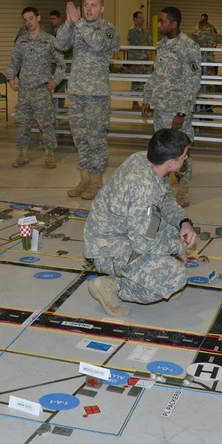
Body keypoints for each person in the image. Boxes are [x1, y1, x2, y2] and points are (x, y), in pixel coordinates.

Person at [84, 129, 198, 317]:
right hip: (109, 249)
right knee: (175, 277)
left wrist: (183, 222)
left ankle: (152, 272)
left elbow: (166, 200)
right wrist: (178, 249)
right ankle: (111, 287)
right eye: (184, 155)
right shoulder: (144, 190)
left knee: (176, 230)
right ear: (171, 162)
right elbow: (143, 243)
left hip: (125, 231)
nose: (186, 158)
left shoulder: (143, 159)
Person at [55, 0, 120, 200]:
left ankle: (96, 182)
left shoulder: (110, 30)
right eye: (85, 5)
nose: (89, 9)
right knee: (80, 139)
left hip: (97, 95)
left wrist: (79, 23)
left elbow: (99, 45)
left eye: (93, 5)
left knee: (96, 140)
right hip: (77, 93)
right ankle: (84, 179)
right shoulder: (77, 26)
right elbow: (60, 44)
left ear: (102, 8)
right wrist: (68, 22)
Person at [141, 7, 202, 208]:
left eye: (162, 21)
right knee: (162, 151)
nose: (158, 25)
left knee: (181, 151)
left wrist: (182, 113)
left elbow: (192, 82)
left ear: (173, 24)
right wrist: (147, 98)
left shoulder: (188, 47)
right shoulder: (162, 46)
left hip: (176, 110)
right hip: (160, 108)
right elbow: (156, 75)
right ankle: (164, 190)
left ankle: (182, 191)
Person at [7, 7, 65, 169]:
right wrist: (11, 77)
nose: (28, 22)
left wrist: (55, 81)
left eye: (31, 18)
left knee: (46, 123)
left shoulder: (50, 40)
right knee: (23, 123)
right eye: (25, 20)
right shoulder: (22, 41)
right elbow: (14, 62)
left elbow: (61, 64)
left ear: (38, 18)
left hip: (41, 89)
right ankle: (23, 154)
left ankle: (49, 154)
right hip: (24, 89)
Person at [126, 10, 154, 94]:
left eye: (143, 18)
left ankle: (145, 103)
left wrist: (146, 44)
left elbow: (151, 42)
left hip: (146, 60)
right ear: (135, 19)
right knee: (136, 82)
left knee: (148, 82)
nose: (142, 19)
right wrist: (146, 43)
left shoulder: (145, 31)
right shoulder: (132, 31)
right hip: (136, 60)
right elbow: (138, 43)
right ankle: (134, 102)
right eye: (140, 18)